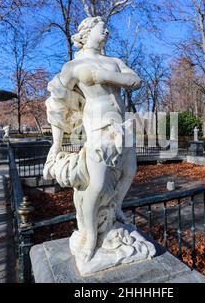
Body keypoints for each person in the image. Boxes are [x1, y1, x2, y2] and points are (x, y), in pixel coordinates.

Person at [43, 16, 141, 263]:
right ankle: (89, 236)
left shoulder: (114, 61)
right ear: (87, 33)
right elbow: (57, 106)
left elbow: (135, 81)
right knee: (95, 186)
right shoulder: (73, 66)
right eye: (101, 28)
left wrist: (102, 76)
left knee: (129, 172)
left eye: (106, 28)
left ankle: (116, 206)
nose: (106, 31)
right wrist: (56, 143)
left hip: (121, 125)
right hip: (98, 126)